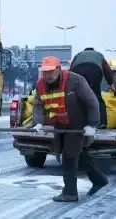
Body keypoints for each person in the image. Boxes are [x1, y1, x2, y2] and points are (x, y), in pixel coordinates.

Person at [33, 56, 108, 202]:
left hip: (78, 124)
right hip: (60, 124)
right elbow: (38, 104)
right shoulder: (40, 84)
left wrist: (92, 125)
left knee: (69, 157)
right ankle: (99, 180)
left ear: (59, 69)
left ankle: (70, 193)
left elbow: (92, 102)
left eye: (50, 72)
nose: (47, 75)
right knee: (77, 155)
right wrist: (38, 123)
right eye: (45, 72)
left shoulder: (76, 80)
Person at [70, 48, 116, 129]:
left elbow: (70, 69)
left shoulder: (78, 54)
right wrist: (111, 83)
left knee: (78, 98)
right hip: (94, 70)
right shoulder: (98, 55)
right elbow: (107, 70)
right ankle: (101, 123)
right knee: (96, 96)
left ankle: (79, 122)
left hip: (77, 71)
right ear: (93, 50)